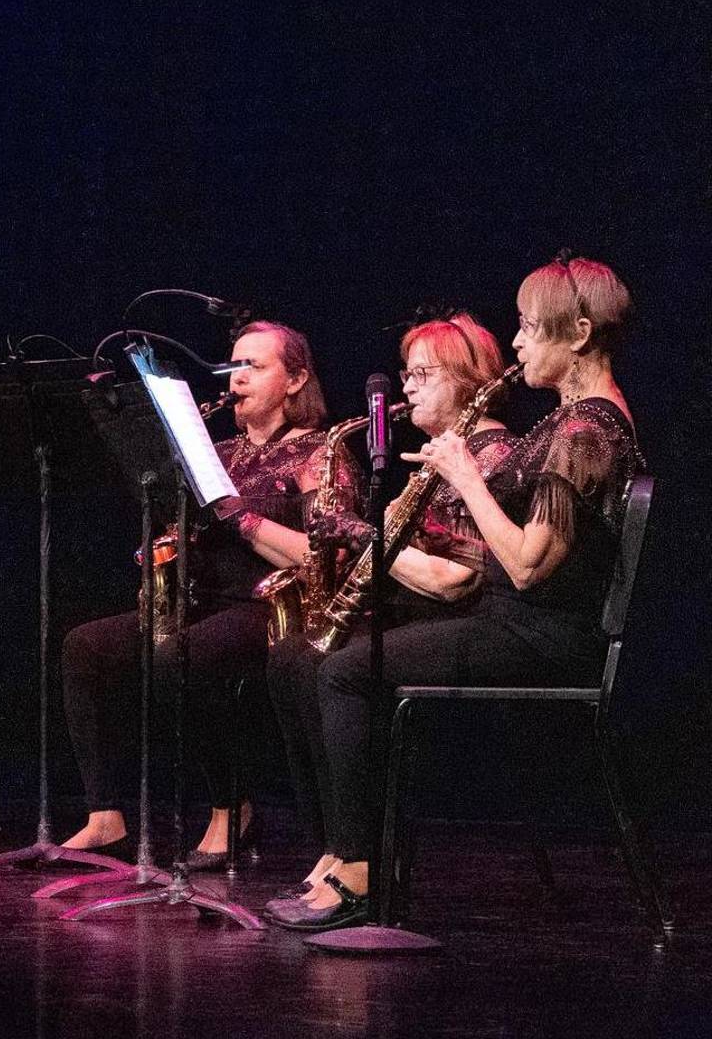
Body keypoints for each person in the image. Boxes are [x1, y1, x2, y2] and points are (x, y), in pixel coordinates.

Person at [275, 256, 643, 932]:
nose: (521, 343)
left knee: (351, 671)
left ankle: (359, 871)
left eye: (532, 328)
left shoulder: (588, 429)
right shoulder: (571, 420)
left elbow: (530, 567)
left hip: (539, 635)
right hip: (518, 623)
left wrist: (466, 477)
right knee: (319, 658)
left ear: (581, 332)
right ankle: (343, 854)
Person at [59, 321, 346, 868]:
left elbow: (321, 558)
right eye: (232, 367)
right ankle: (105, 817)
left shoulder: (318, 454)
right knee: (86, 647)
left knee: (184, 655)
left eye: (253, 367)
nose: (236, 381)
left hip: (271, 608)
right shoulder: (219, 453)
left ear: (296, 379)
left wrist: (240, 516)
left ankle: (230, 808)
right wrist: (169, 544)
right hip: (203, 602)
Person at [264, 311, 515, 920]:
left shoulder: (492, 453)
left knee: (341, 669)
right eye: (405, 373)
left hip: (472, 622)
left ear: (466, 378)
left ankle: (362, 863)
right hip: (423, 615)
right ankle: (336, 844)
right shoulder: (438, 457)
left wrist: (356, 532)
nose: (406, 386)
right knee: (293, 657)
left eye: (421, 373)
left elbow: (457, 579)